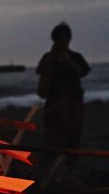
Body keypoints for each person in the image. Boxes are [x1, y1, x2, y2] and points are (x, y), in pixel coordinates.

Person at [36, 22, 90, 155]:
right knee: (53, 135)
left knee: (73, 133)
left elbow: (83, 71)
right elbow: (40, 70)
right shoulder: (48, 57)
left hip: (73, 101)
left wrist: (69, 62)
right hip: (54, 101)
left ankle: (69, 161)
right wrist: (51, 59)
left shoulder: (75, 57)